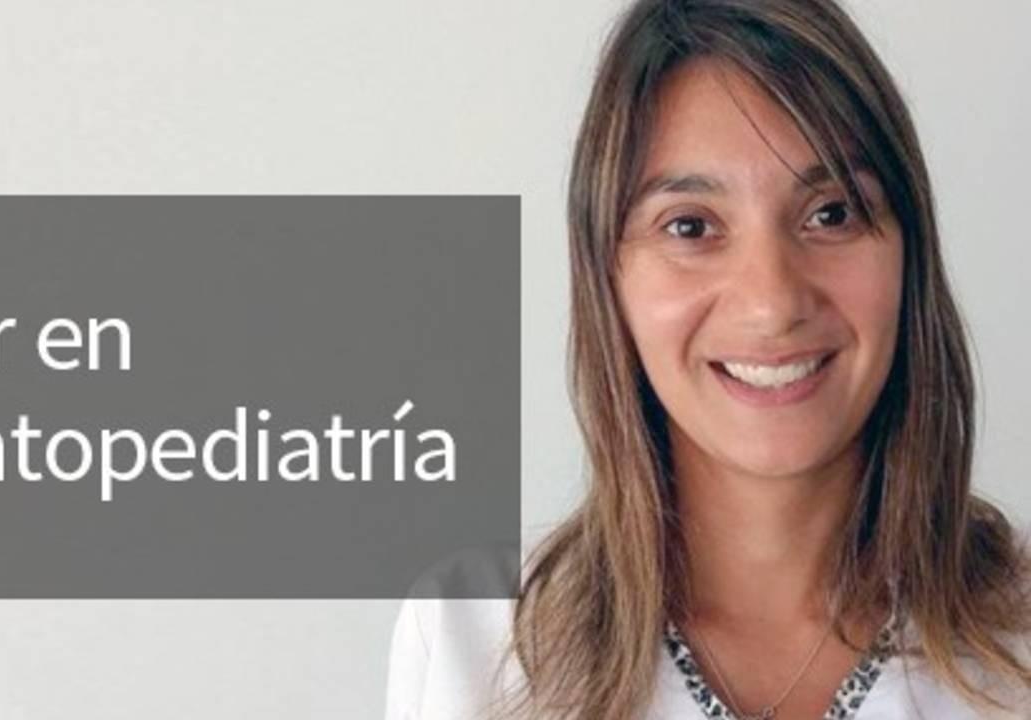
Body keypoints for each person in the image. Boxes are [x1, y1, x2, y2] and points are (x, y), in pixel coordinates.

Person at [385, 0, 1031, 718]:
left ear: (909, 252)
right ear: (608, 278)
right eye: (690, 227)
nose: (772, 303)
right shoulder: (474, 640)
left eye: (832, 213)